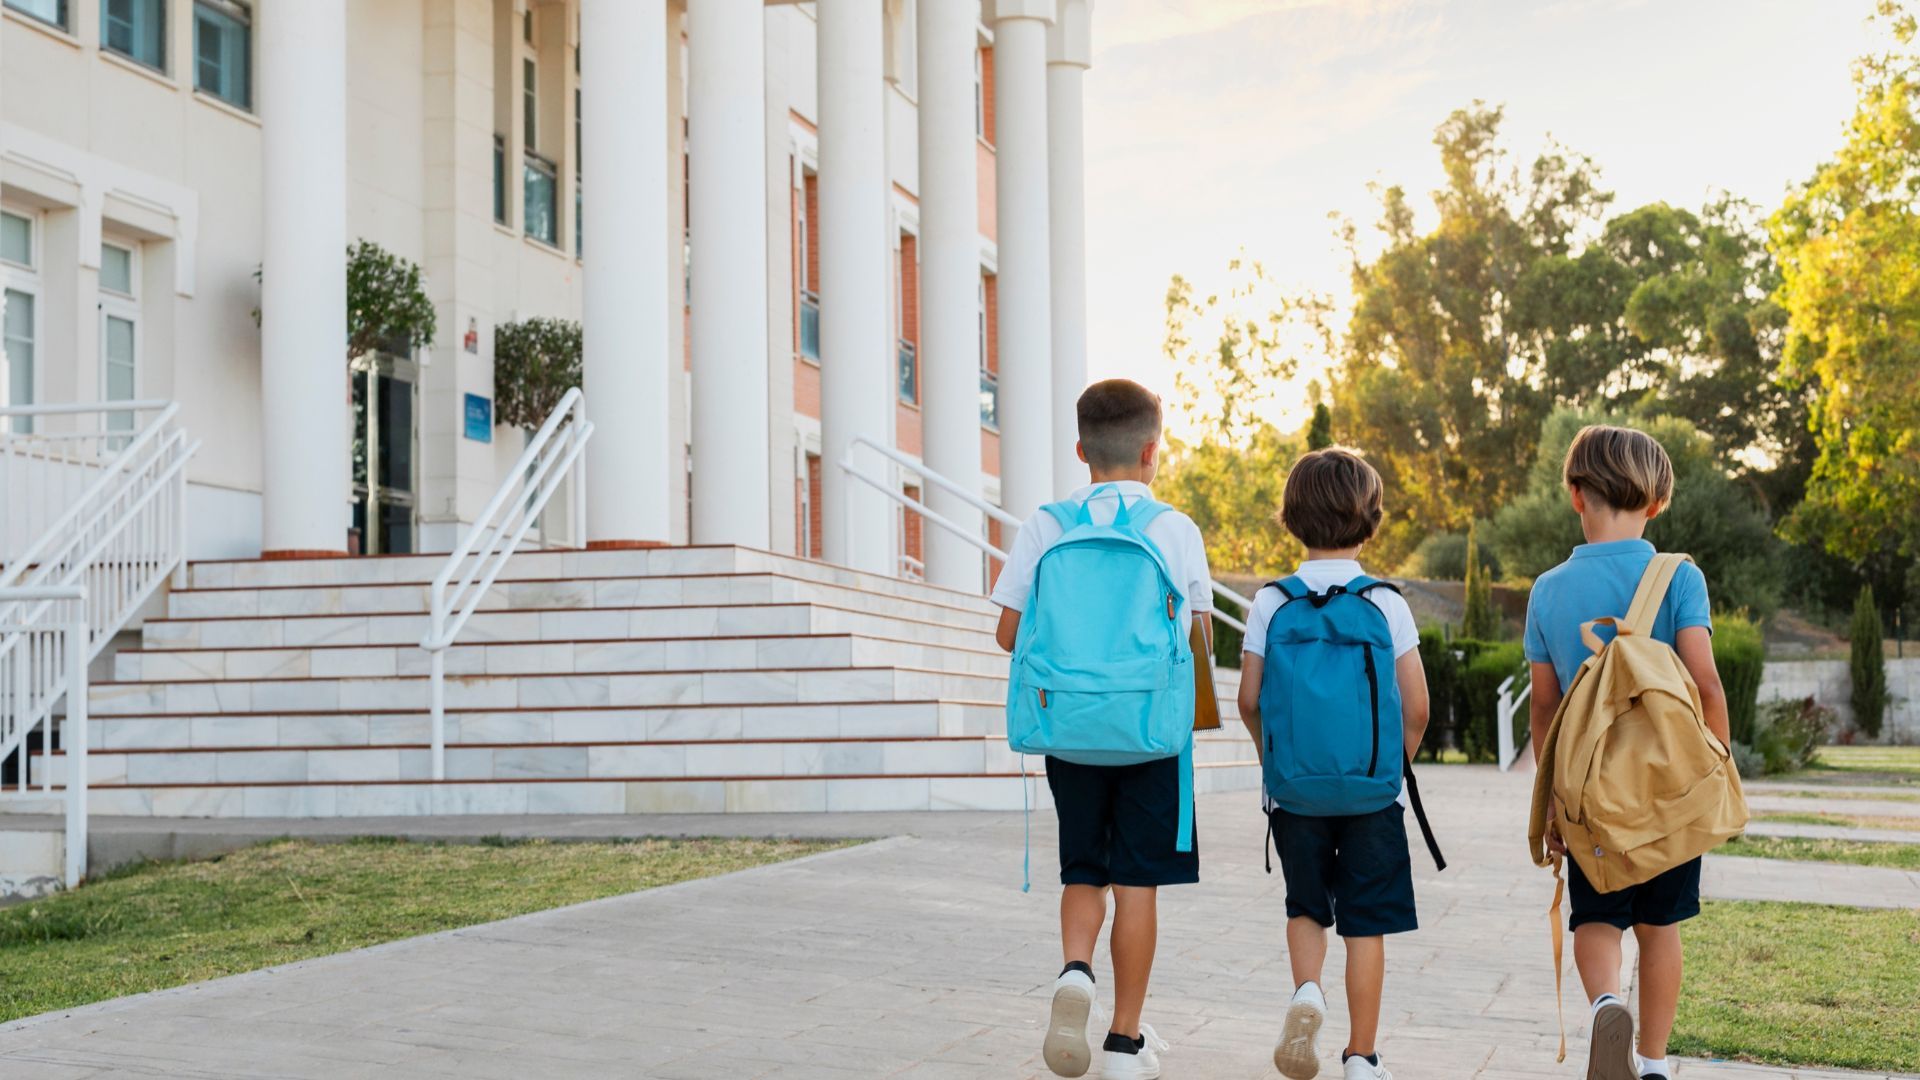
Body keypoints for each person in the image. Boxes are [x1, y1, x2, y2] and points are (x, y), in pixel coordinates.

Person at [991, 378, 1214, 1080]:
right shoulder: (1175, 529)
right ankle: (1124, 1041)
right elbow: (1199, 641)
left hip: (1071, 729)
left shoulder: (1045, 525)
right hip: (1150, 732)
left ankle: (1076, 970)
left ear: (1081, 449)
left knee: (1085, 868)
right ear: (1153, 450)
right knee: (1137, 884)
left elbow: (1007, 632)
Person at [1524, 424, 1726, 1080]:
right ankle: (1656, 1064)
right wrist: (1716, 765)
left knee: (1598, 917)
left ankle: (1608, 1001)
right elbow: (1704, 680)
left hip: (1588, 791)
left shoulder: (1548, 590)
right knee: (1661, 925)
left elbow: (1546, 706)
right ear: (1658, 502)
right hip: (1667, 788)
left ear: (1575, 496)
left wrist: (1552, 799)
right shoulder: (1679, 577)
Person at [1236, 447, 1429, 1080]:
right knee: (1366, 923)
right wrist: (1389, 767)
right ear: (1370, 518)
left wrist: (1276, 763)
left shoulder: (1270, 602)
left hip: (1295, 793)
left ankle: (1307, 992)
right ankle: (1362, 1056)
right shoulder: (1385, 603)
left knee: (1306, 907)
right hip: (1372, 795)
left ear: (1290, 517)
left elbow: (1248, 698)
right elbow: (1418, 707)